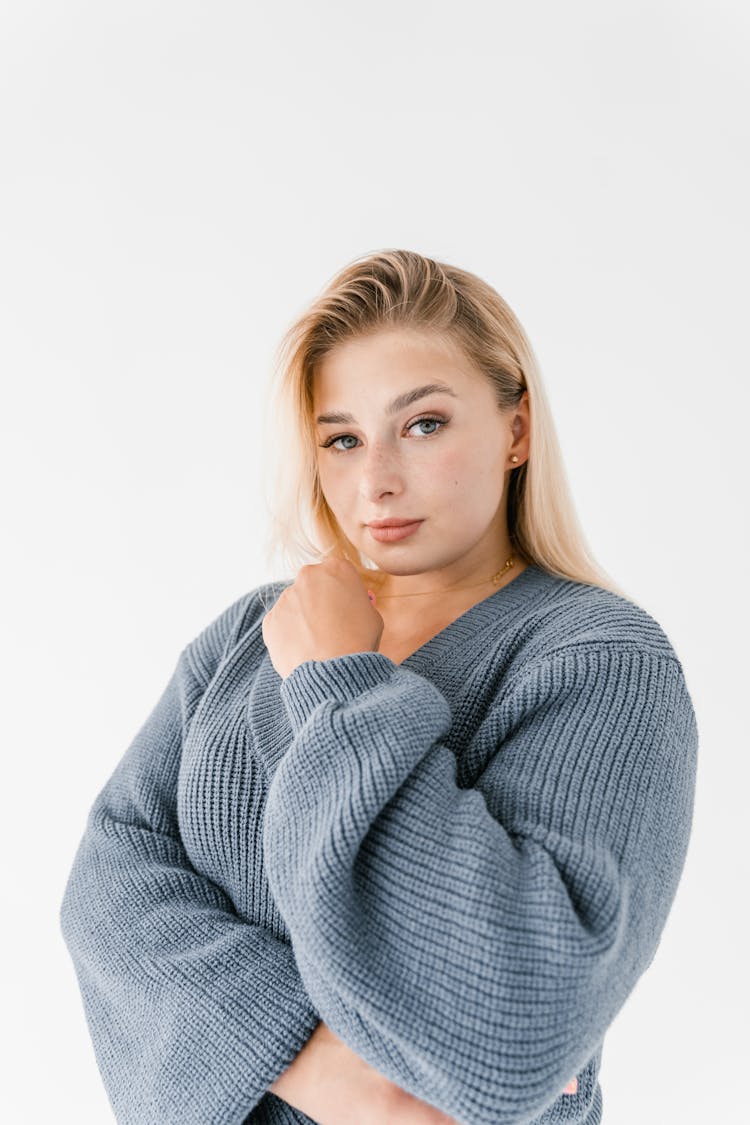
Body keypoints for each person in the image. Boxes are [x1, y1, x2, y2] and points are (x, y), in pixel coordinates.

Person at [59, 249, 698, 1125]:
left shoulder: (598, 658)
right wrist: (304, 1056)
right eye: (343, 438)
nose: (376, 481)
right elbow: (109, 879)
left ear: (516, 430)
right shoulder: (258, 629)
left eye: (425, 424)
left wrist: (335, 683)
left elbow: (520, 1009)